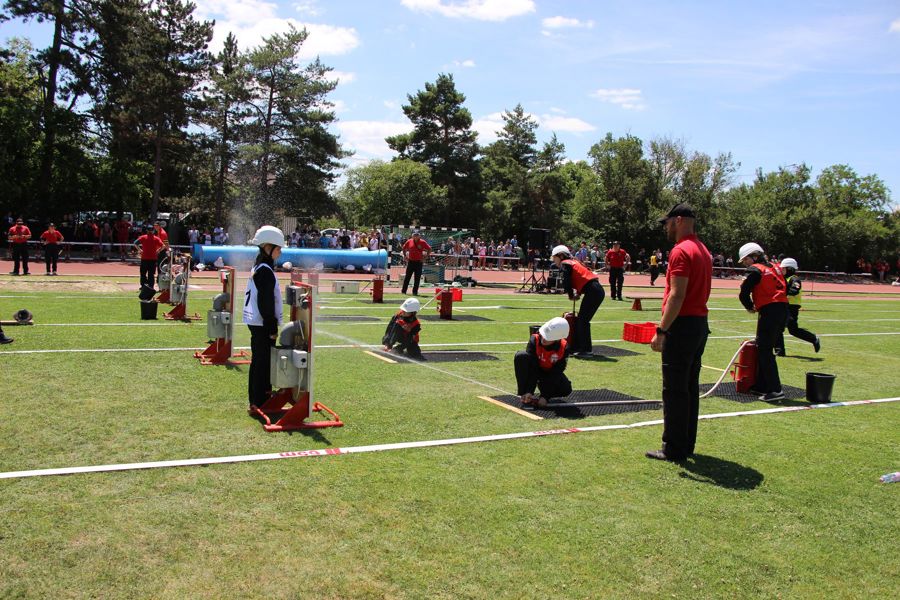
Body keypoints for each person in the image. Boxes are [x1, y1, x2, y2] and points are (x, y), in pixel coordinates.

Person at [647, 203, 712, 461]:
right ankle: (686, 443)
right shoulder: (702, 249)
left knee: (674, 389)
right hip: (699, 324)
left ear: (679, 220)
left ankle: (674, 448)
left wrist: (662, 330)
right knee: (689, 387)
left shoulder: (681, 250)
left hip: (682, 325)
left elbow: (677, 294)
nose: (666, 227)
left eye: (667, 222)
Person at [738, 242, 789, 401]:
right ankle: (763, 386)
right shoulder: (775, 267)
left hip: (770, 311)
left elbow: (743, 293)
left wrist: (750, 306)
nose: (745, 263)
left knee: (765, 350)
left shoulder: (755, 270)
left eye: (746, 259)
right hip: (783, 309)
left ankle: (775, 390)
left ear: (754, 256)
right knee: (764, 348)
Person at [243, 225, 285, 408]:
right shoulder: (265, 270)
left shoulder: (259, 266)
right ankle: (260, 400)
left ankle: (256, 399)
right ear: (268, 247)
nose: (280, 252)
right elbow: (265, 301)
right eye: (278, 248)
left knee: (258, 360)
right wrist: (271, 326)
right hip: (261, 323)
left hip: (256, 321)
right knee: (263, 362)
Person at [552, 244, 605, 358]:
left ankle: (586, 350)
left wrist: (570, 294)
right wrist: (578, 293)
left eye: (554, 257)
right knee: (582, 320)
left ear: (561, 256)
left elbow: (566, 281)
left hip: (593, 291)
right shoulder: (574, 262)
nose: (554, 261)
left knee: (583, 320)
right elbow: (584, 277)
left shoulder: (565, 263)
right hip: (595, 289)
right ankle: (581, 347)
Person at [515, 317, 572, 408]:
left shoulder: (564, 348)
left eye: (548, 338)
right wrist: (529, 391)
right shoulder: (534, 340)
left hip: (550, 373)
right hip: (535, 370)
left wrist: (545, 396)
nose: (544, 339)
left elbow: (556, 373)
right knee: (521, 356)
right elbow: (533, 368)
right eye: (544, 334)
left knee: (566, 389)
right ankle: (524, 394)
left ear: (557, 339)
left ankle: (543, 389)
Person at [775, 258, 821, 356]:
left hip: (791, 307)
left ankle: (813, 339)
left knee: (782, 328)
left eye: (783, 268)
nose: (782, 270)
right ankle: (780, 351)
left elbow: (794, 290)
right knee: (788, 329)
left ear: (789, 269)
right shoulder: (784, 279)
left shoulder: (794, 279)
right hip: (785, 306)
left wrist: (781, 294)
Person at [401, 230, 432, 296]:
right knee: (407, 277)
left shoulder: (423, 242)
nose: (415, 236)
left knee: (417, 278)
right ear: (412, 235)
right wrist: (405, 256)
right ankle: (403, 291)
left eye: (417, 235)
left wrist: (425, 258)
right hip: (411, 262)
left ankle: (415, 292)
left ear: (419, 236)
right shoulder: (409, 241)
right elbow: (403, 248)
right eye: (414, 235)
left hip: (419, 262)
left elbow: (429, 249)